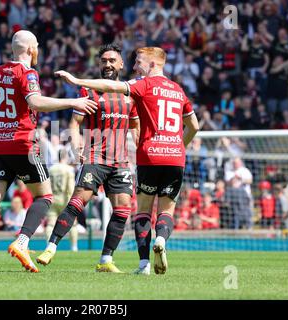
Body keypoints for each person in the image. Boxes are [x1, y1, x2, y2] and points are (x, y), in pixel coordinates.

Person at [0, 30, 97, 275]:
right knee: (45, 197)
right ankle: (22, 243)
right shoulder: (28, 73)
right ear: (31, 49)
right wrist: (73, 102)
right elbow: (36, 102)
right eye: (37, 46)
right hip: (22, 144)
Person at [55, 46, 199, 275]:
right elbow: (194, 126)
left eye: (139, 62)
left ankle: (144, 265)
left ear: (152, 64)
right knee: (166, 211)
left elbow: (113, 87)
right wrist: (179, 146)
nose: (135, 66)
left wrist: (76, 80)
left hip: (150, 155)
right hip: (175, 157)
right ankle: (161, 239)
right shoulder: (178, 90)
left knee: (142, 211)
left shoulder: (143, 85)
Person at [36, 44, 140, 273]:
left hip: (121, 161)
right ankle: (51, 247)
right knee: (77, 202)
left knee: (123, 210)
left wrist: (140, 148)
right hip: (96, 157)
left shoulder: (130, 94)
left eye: (112, 60)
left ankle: (105, 261)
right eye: (104, 61)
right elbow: (75, 124)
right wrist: (76, 146)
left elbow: (135, 125)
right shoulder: (89, 92)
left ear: (121, 64)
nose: (108, 64)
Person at [44, 149, 78, 251]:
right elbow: (71, 188)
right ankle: (74, 247)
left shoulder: (51, 169)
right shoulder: (68, 169)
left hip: (53, 198)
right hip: (65, 199)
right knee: (72, 223)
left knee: (50, 223)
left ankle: (48, 246)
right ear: (65, 157)